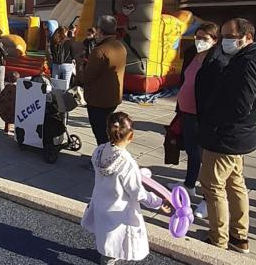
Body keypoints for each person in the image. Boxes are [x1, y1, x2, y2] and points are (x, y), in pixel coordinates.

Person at [198, 18, 256, 254]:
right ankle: (239, 237)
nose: (224, 41)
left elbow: (240, 106)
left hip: (226, 137)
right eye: (222, 36)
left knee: (212, 186)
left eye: (229, 36)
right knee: (235, 184)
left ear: (247, 37)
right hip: (238, 136)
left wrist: (213, 120)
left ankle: (218, 238)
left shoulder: (248, 62)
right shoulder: (251, 58)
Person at [82, 112, 165, 265]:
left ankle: (105, 253)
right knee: (117, 236)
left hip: (101, 203)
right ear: (131, 135)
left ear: (108, 131)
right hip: (119, 209)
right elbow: (137, 193)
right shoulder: (127, 163)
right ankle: (108, 258)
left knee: (105, 234)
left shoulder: (98, 151)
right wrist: (158, 202)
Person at [166, 22, 223, 217]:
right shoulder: (192, 54)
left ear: (214, 41)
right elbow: (185, 81)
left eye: (204, 39)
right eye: (198, 37)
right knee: (191, 151)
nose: (200, 42)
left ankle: (208, 200)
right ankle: (189, 185)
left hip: (203, 116)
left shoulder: (217, 60)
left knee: (205, 158)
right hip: (186, 112)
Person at [77, 15, 128, 145]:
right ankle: (109, 154)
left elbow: (86, 77)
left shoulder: (100, 51)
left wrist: (81, 66)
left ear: (99, 30)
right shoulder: (120, 47)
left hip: (98, 99)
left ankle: (103, 159)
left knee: (100, 131)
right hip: (113, 96)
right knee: (108, 129)